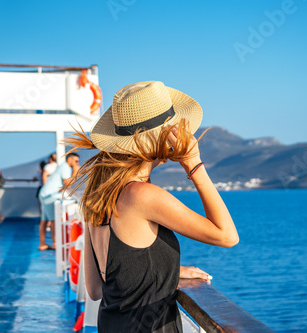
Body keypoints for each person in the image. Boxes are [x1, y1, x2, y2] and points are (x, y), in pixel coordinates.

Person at [64, 81, 239, 332]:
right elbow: (227, 236)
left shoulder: (97, 195)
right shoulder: (143, 196)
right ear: (161, 138)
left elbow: (95, 289)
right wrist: (194, 165)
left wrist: (167, 274)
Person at [38, 155, 79, 251]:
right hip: (50, 196)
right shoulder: (65, 167)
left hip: (45, 194)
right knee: (53, 220)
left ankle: (42, 244)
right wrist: (75, 172)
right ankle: (55, 243)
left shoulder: (63, 167)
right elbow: (67, 183)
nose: (77, 163)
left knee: (44, 220)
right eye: (76, 161)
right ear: (70, 159)